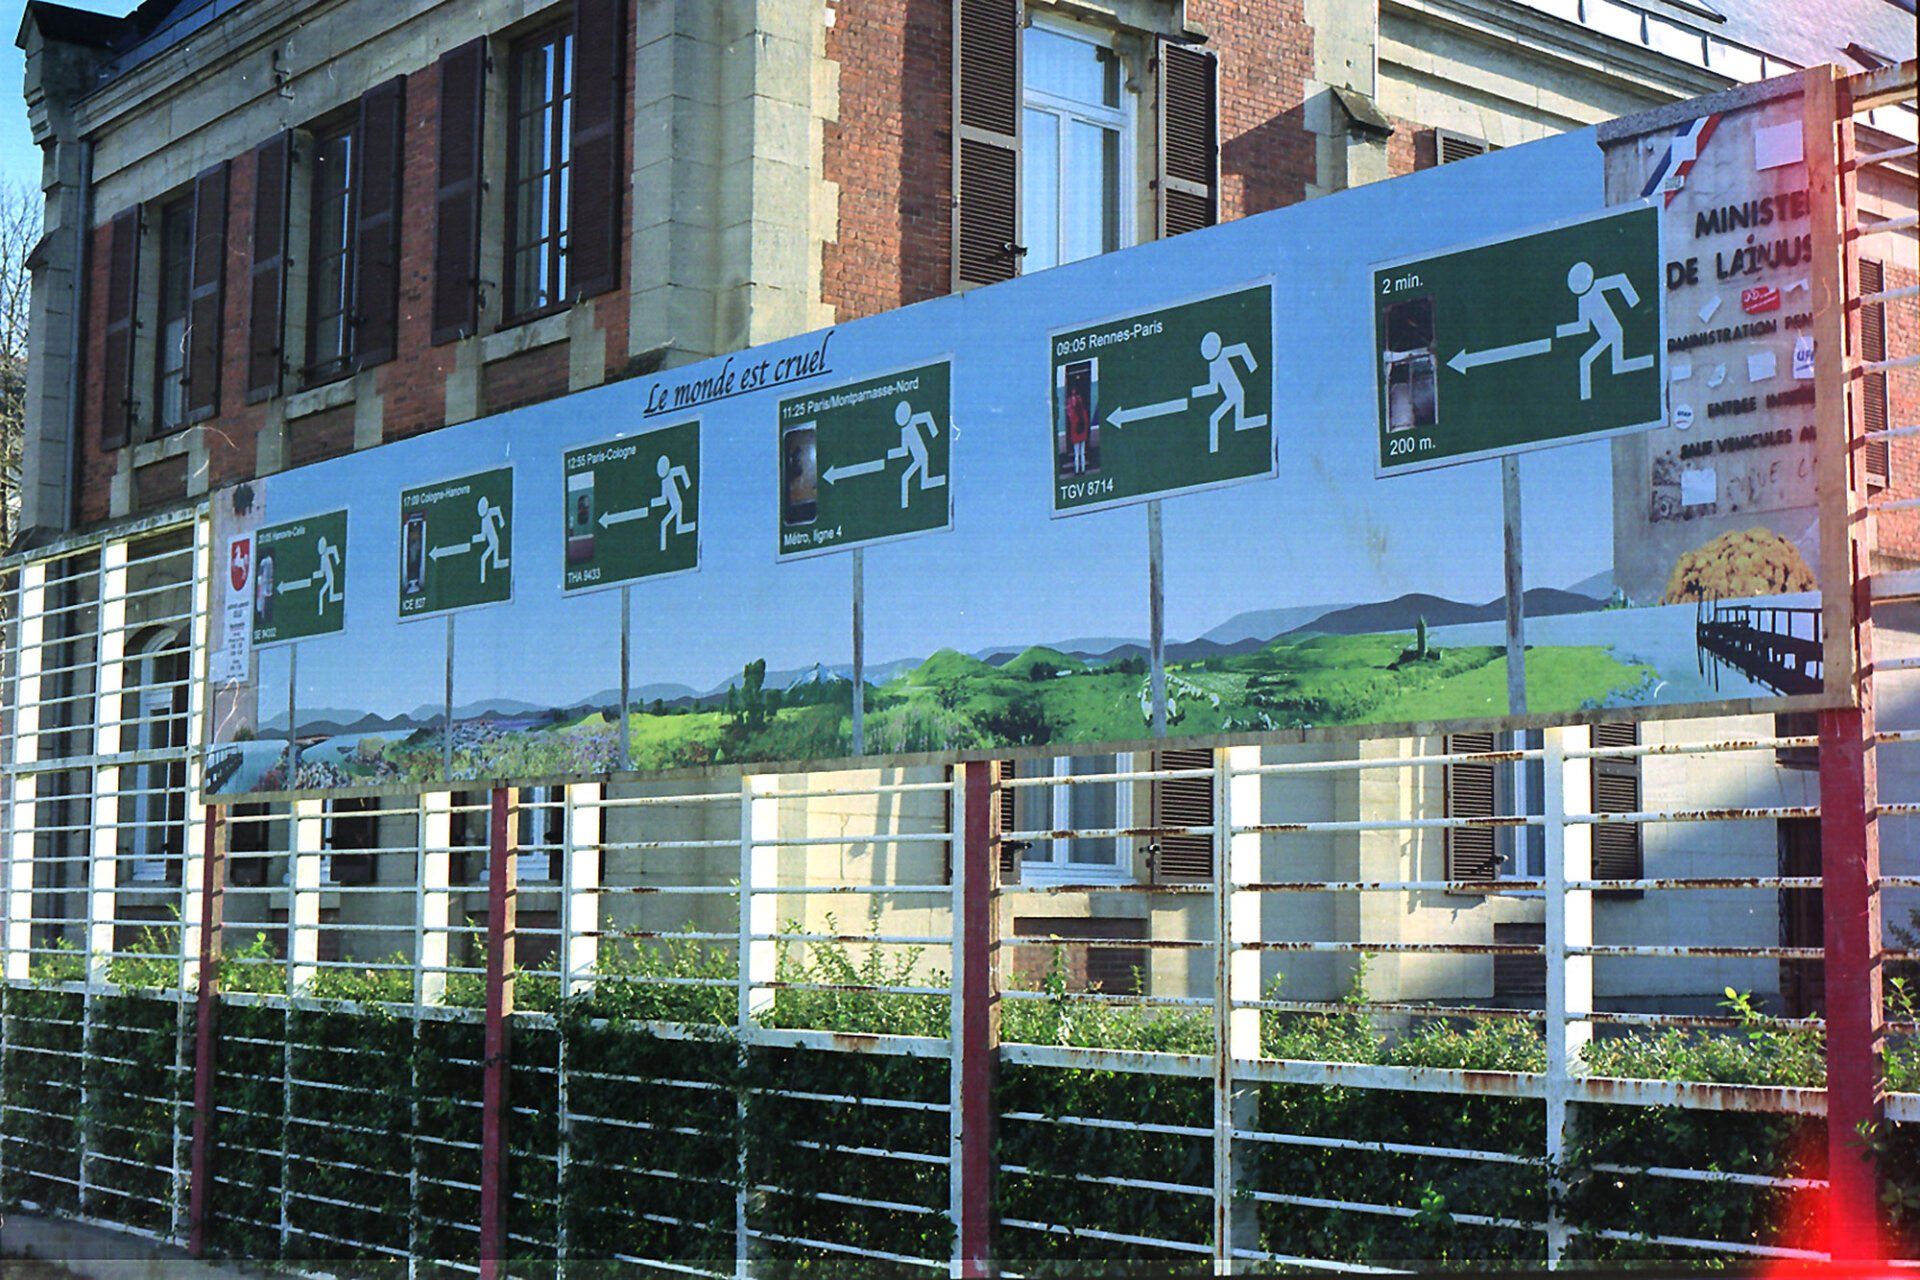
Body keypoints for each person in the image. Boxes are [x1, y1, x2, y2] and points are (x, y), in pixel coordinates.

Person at [1556, 260, 1653, 400]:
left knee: (1587, 360)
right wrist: (1563, 330)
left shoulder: (1598, 285)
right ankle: (1642, 362)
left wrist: (1633, 300)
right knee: (1603, 361)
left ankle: (1586, 397)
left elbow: (1620, 281)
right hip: (1608, 334)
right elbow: (1583, 325)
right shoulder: (1583, 300)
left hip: (1612, 332)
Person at [1190, 331, 1267, 453]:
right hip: (1231, 395)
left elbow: (1241, 349)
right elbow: (1213, 387)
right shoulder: (1213, 365)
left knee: (1218, 418)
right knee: (1218, 418)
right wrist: (1197, 391)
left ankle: (1258, 421)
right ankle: (1214, 448)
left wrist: (1252, 365)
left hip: (1237, 392)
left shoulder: (1225, 353)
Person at [888, 400, 946, 509]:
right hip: (918, 457)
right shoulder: (904, 430)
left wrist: (934, 432)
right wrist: (892, 453)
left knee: (909, 477)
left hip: (922, 455)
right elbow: (904, 450)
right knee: (907, 477)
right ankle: (906, 502)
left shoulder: (913, 420)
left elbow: (926, 417)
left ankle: (932, 482)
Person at [649, 454, 697, 551]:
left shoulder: (672, 472)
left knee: (665, 522)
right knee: (666, 522)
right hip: (675, 504)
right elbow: (664, 498)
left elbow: (682, 471)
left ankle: (682, 529)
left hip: (677, 503)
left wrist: (687, 484)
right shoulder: (664, 481)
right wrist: (654, 502)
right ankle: (681, 528)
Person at [1065, 383, 1090, 475]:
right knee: (1082, 453)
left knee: (1076, 454)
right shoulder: (1083, 413)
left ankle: (1076, 470)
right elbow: (1086, 422)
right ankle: (1082, 469)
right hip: (1082, 434)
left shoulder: (1073, 416)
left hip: (1075, 435)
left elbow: (1070, 421)